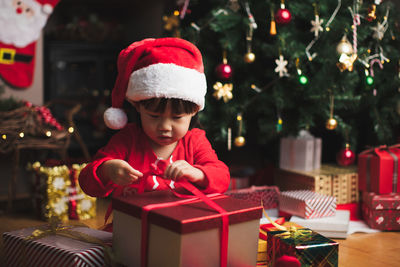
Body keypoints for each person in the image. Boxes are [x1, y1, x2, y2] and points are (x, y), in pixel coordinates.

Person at [79, 38, 230, 206]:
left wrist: (198, 174)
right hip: (133, 225)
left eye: (177, 117)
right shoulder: (127, 140)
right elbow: (87, 183)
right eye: (154, 116)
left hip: (181, 227)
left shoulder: (194, 141)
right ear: (138, 107)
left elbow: (222, 178)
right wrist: (107, 170)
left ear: (194, 111)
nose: (165, 127)